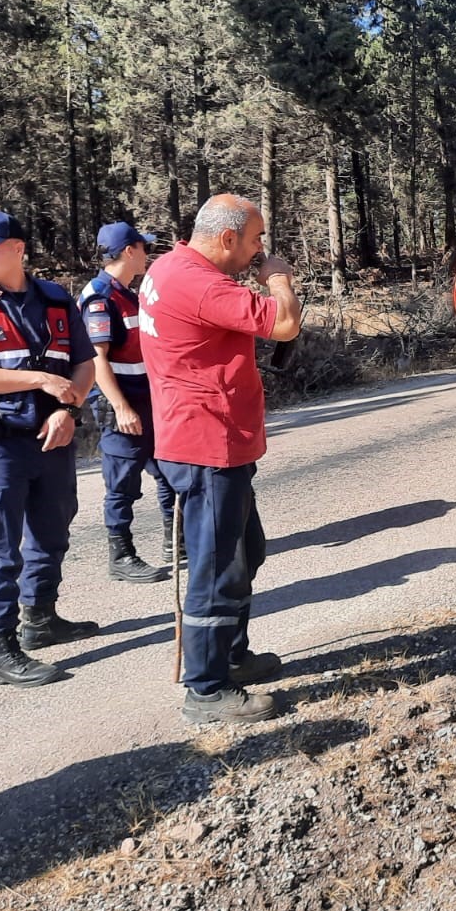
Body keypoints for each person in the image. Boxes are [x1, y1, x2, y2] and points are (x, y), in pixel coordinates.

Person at [139, 193, 298, 724]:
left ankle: (232, 656)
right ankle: (206, 688)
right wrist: (278, 278)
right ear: (226, 238)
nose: (258, 252)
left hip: (218, 438)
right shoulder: (198, 282)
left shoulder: (172, 267)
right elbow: (283, 324)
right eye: (255, 242)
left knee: (245, 552)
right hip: (207, 444)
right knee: (216, 566)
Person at [0, 209, 98, 688]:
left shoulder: (53, 298)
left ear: (17, 249)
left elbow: (85, 363)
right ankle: (0, 648)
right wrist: (40, 379)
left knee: (52, 532)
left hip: (52, 438)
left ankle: (42, 619)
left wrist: (68, 412)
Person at [80, 222, 174, 584]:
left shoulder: (127, 292)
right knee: (122, 481)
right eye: (144, 247)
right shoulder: (101, 296)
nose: (148, 254)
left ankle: (175, 541)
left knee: (167, 469)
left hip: (146, 397)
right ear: (130, 251)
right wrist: (120, 407)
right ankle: (121, 556)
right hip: (123, 401)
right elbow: (96, 358)